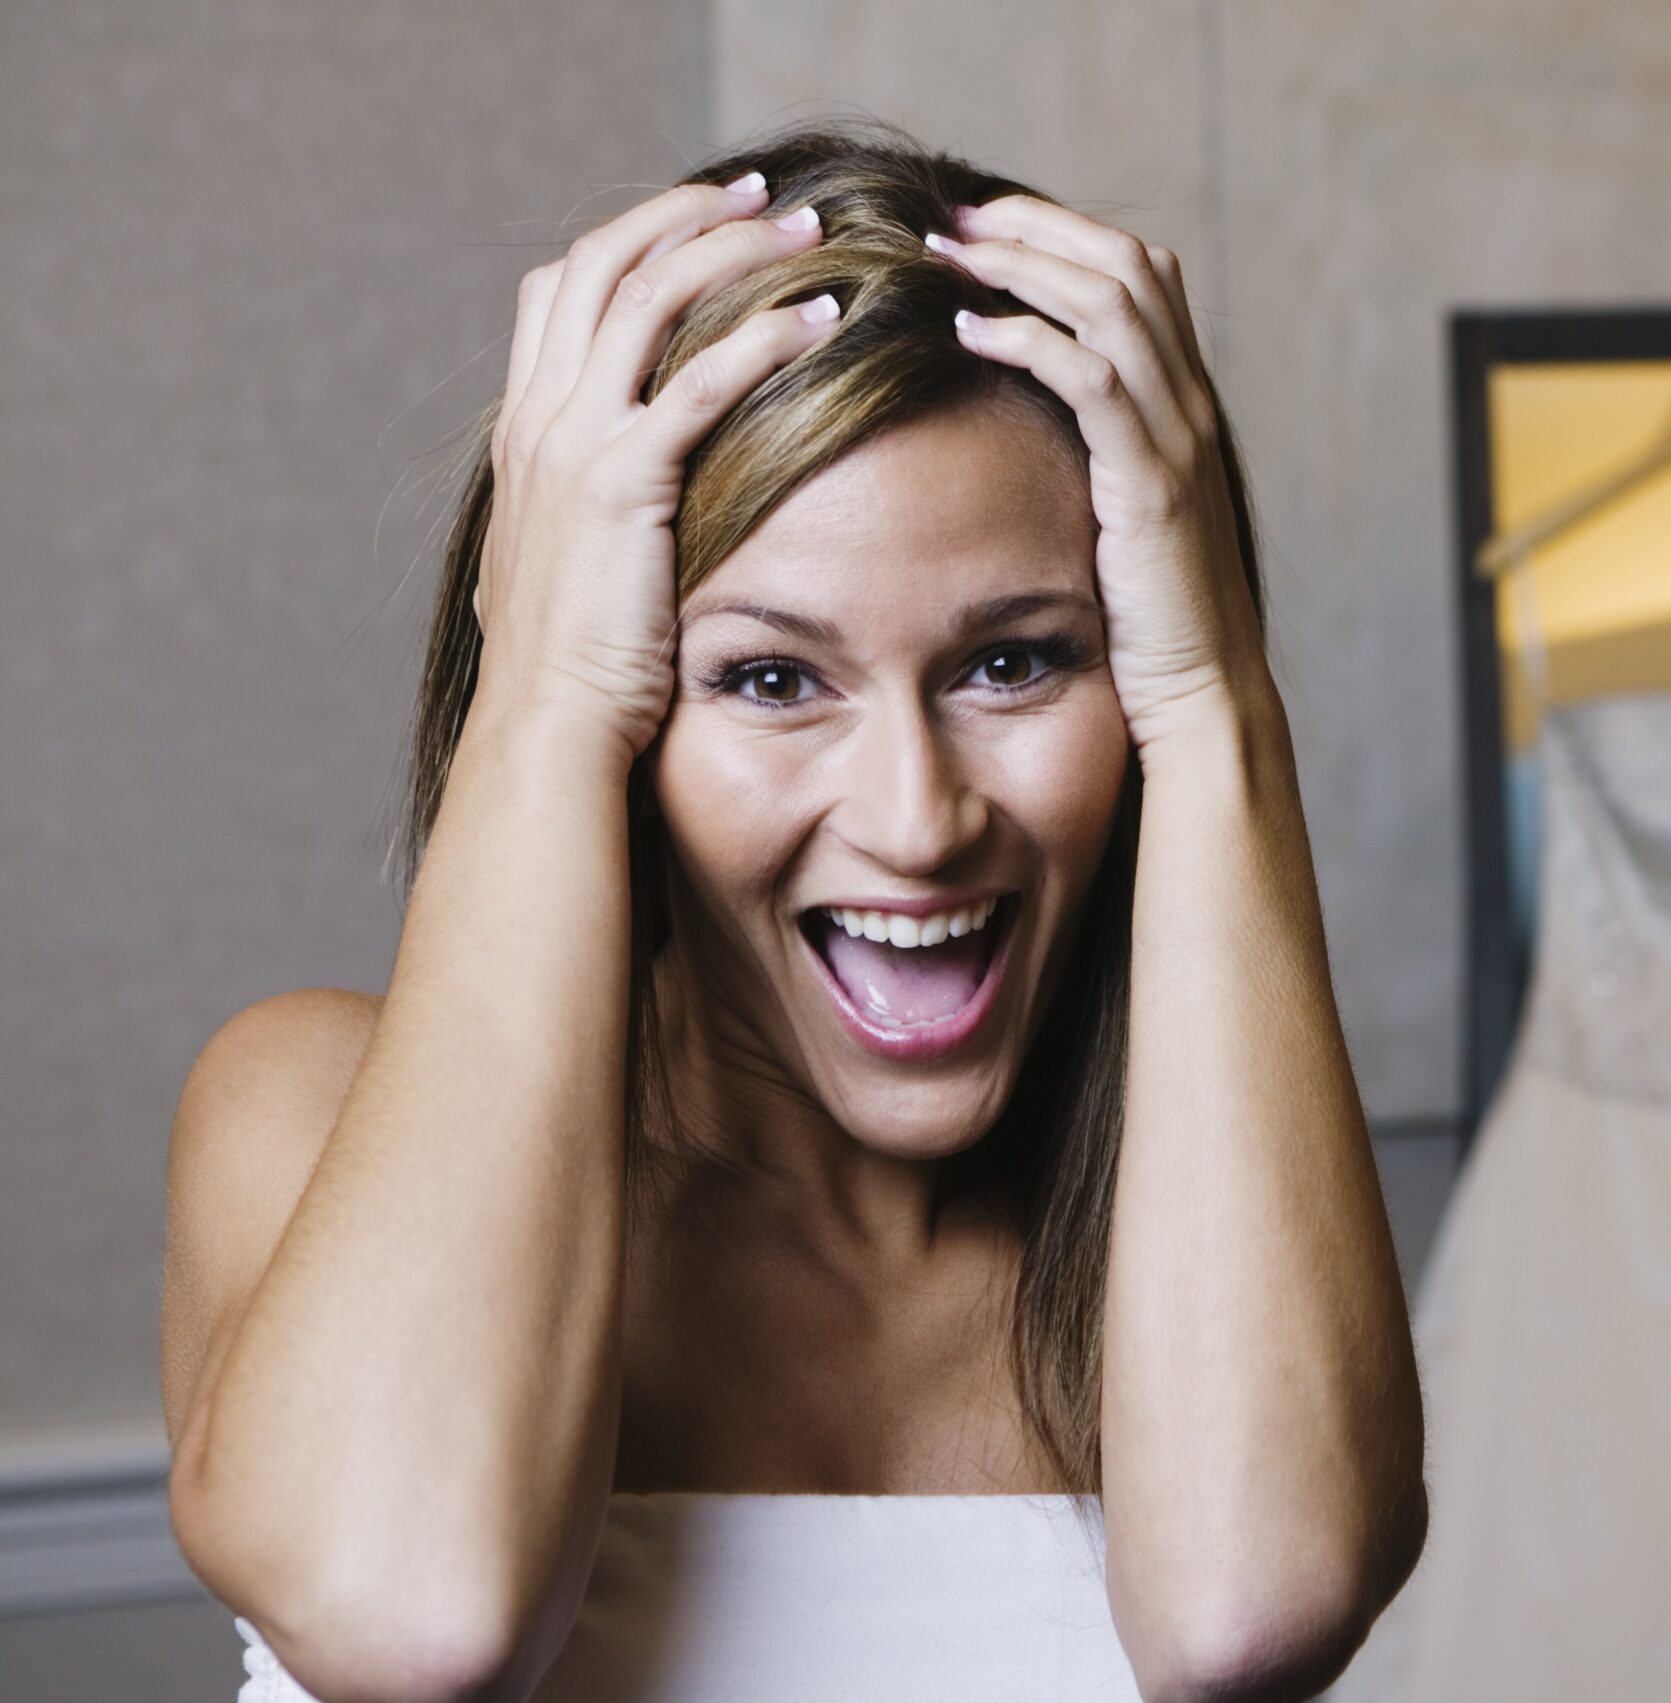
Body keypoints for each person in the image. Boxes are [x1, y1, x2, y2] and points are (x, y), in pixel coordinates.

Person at [159, 117, 1427, 1702]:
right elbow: (415, 1618)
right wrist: (542, 700)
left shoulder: (1199, 1209)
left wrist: (1216, 693)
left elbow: (1257, 1611)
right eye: (769, 678)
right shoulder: (295, 1106)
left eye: (1015, 659)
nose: (917, 816)